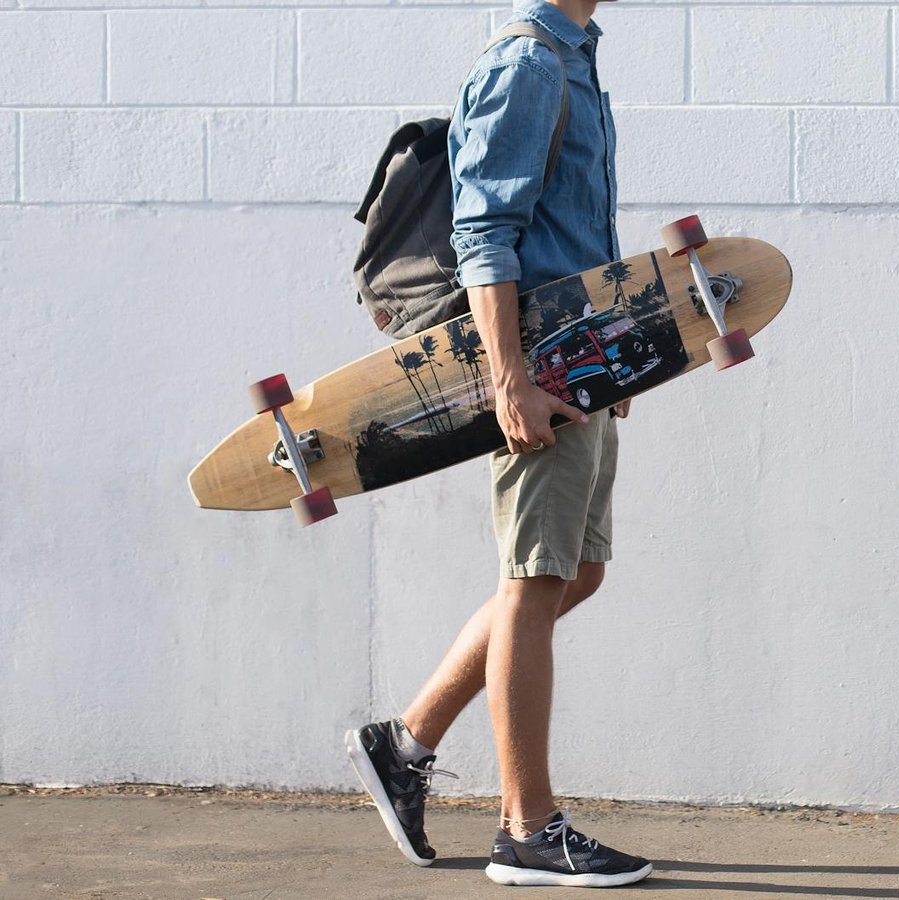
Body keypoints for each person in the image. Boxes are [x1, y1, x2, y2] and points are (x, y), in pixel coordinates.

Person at [345, 0, 652, 887]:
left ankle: (405, 745)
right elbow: (483, 231)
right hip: (538, 367)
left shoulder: (575, 57)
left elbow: (580, 229)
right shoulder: (527, 66)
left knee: (576, 571)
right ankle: (526, 829)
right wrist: (509, 375)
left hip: (582, 359)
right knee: (535, 579)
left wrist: (619, 356)